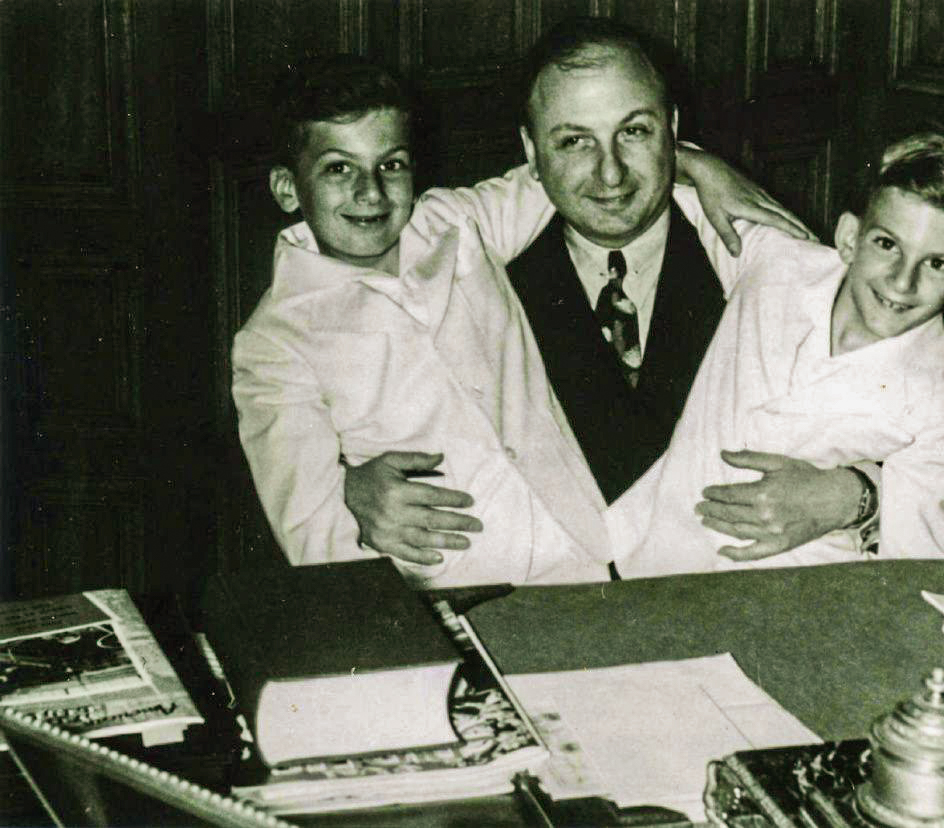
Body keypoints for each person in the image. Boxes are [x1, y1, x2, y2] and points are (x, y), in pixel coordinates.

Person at [231, 54, 810, 586]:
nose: (371, 192)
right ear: (288, 188)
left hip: (585, 560)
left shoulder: (453, 223)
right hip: (449, 588)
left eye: (392, 165)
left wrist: (697, 163)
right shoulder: (275, 343)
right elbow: (311, 537)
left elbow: (571, 168)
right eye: (338, 169)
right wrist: (349, 497)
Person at [344, 18, 882, 575]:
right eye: (575, 141)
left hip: (730, 601)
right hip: (543, 613)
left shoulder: (760, 252)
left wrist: (851, 497)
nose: (610, 173)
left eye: (634, 131)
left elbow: (912, 419)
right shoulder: (472, 264)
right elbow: (319, 352)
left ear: (671, 128)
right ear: (530, 149)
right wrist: (347, 488)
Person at [612, 128, 944, 577]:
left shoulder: (940, 414)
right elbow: (653, 172)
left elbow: (909, 571)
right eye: (887, 244)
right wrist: (698, 163)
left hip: (797, 607)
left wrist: (860, 499)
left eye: (937, 264)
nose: (902, 281)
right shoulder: (775, 262)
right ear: (850, 237)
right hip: (652, 564)